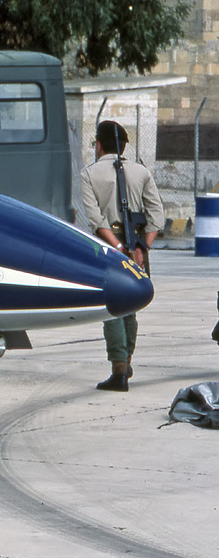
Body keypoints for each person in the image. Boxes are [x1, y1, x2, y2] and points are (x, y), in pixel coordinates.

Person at [81, 119, 165, 392]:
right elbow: (157, 217)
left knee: (112, 309)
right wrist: (142, 248)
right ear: (125, 145)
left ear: (100, 145)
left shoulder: (89, 174)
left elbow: (95, 218)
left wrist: (117, 248)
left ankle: (118, 370)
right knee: (131, 306)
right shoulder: (141, 172)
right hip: (138, 245)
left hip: (108, 246)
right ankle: (126, 362)